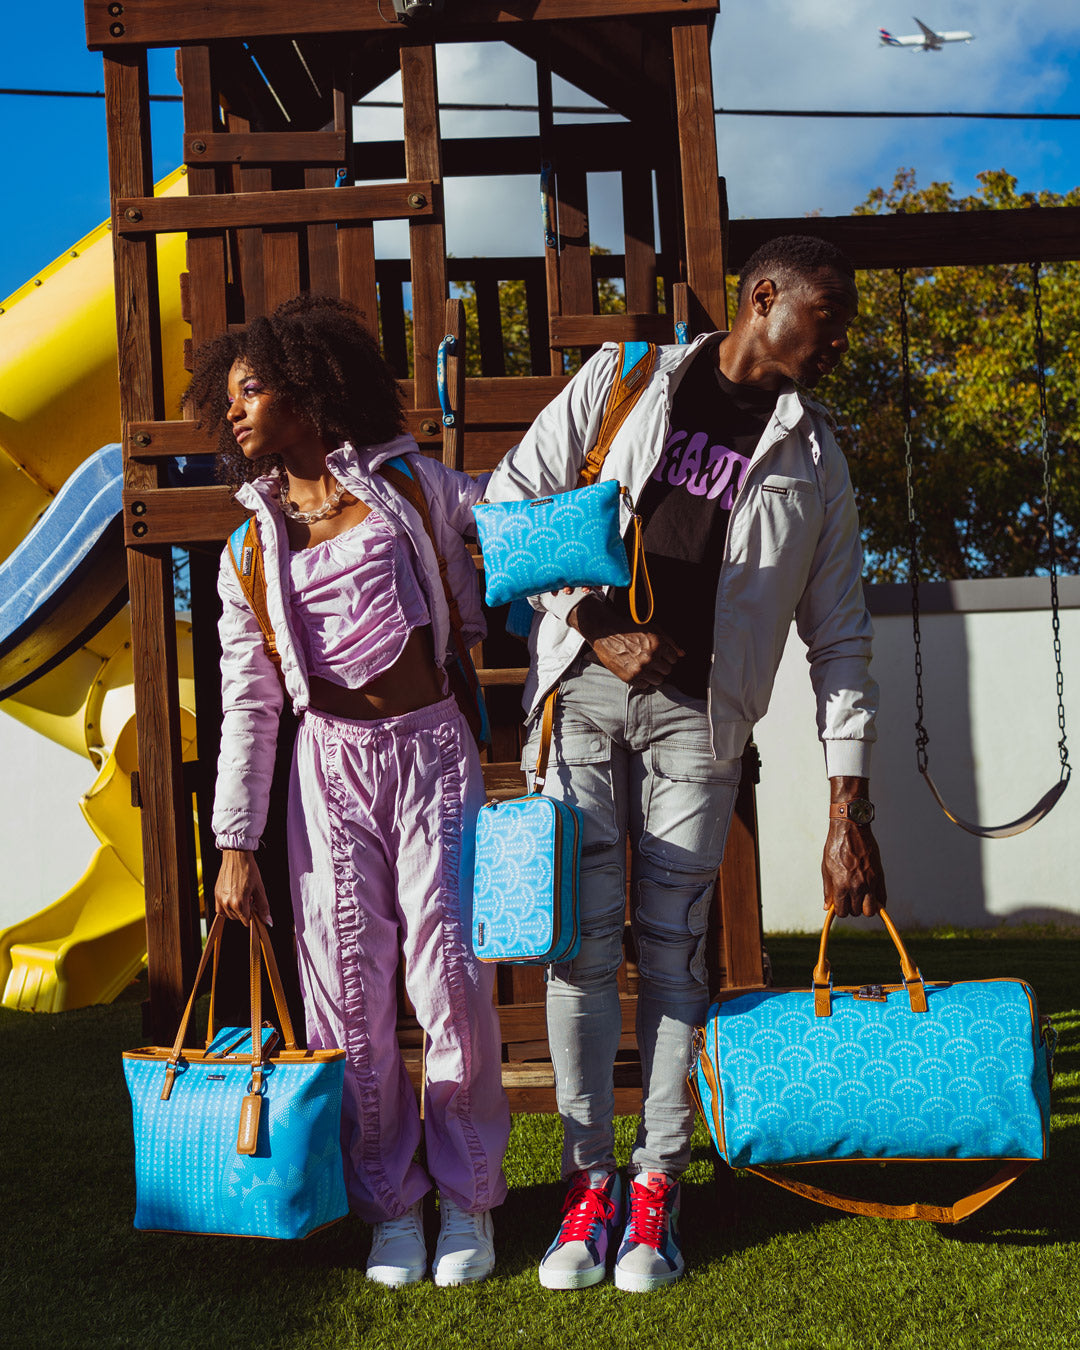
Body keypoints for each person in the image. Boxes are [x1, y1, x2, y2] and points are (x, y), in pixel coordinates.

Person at [484, 235, 887, 1292]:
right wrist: (594, 623)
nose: (839, 343)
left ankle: (655, 1186)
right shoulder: (626, 381)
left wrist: (848, 806)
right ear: (765, 298)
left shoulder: (816, 458)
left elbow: (841, 637)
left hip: (702, 726)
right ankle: (586, 1186)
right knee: (579, 947)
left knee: (674, 952)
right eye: (829, 319)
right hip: (582, 693)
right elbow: (510, 508)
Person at [185, 294, 511, 1288]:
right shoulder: (248, 550)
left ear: (308, 387)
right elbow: (249, 705)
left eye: (251, 389)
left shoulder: (408, 483)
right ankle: (391, 1208)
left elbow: (511, 511)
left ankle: (468, 1200)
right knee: (346, 994)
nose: (235, 411)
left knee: (451, 976)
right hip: (328, 771)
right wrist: (235, 844)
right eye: (229, 397)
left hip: (434, 751)